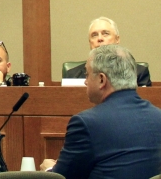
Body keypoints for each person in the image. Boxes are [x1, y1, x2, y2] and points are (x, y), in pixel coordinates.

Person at [40, 45, 161, 177]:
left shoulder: (86, 123)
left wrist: (48, 170)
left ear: (102, 79)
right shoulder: (158, 116)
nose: (85, 82)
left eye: (87, 74)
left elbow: (62, 177)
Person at [64, 17, 151, 86]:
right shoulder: (73, 75)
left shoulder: (139, 72)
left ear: (117, 39)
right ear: (89, 42)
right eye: (94, 35)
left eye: (105, 33)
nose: (100, 38)